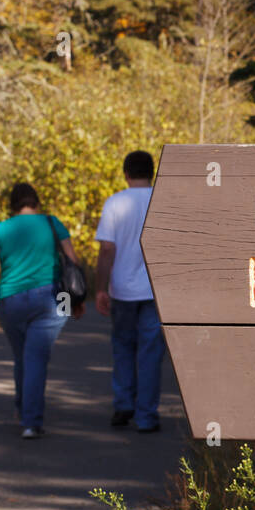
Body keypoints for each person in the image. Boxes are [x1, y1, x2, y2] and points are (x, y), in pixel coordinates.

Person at [0, 183, 82, 439]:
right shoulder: (51, 223)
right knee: (35, 358)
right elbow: (73, 261)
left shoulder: (2, 229)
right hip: (49, 299)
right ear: (36, 202)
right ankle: (30, 421)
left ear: (12, 205)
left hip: (10, 301)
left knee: (22, 356)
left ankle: (22, 409)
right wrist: (77, 301)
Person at [94, 150, 164, 433]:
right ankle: (146, 416)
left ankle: (123, 405)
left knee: (123, 347)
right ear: (152, 172)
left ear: (126, 173)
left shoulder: (115, 202)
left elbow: (107, 249)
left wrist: (100, 288)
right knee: (150, 354)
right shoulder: (163, 202)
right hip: (156, 292)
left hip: (122, 289)